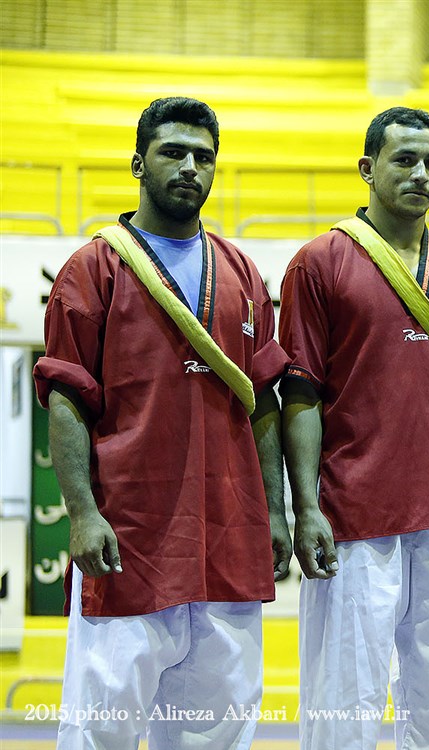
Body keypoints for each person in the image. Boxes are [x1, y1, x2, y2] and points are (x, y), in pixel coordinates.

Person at [35, 96, 291, 749]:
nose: (190, 167)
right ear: (138, 164)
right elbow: (65, 398)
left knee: (217, 734)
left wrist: (276, 511)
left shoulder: (241, 272)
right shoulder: (93, 269)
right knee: (103, 733)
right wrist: (82, 514)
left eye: (204, 156)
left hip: (228, 538)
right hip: (128, 540)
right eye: (173, 152)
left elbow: (262, 400)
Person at [278, 106, 429, 750]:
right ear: (367, 168)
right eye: (404, 160)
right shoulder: (319, 262)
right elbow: (300, 393)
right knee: (343, 701)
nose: (420, 174)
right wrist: (305, 508)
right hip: (355, 514)